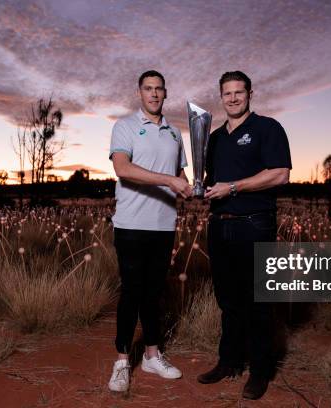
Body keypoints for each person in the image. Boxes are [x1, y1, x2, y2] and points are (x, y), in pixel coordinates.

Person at [198, 71, 292, 400]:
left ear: (250, 93)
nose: (233, 98)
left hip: (254, 223)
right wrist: (197, 186)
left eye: (239, 92)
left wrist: (234, 187)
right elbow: (210, 179)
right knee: (228, 301)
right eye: (227, 93)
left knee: (257, 302)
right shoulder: (215, 137)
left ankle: (260, 371)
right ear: (220, 96)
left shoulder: (268, 128)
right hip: (220, 224)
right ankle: (229, 361)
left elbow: (280, 174)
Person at [108, 70, 192, 392]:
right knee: (131, 292)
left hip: (163, 225)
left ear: (165, 93)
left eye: (159, 89)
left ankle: (152, 356)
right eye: (148, 89)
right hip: (131, 224)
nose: (154, 94)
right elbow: (122, 169)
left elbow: (179, 173)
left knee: (154, 293)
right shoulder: (125, 126)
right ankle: (121, 360)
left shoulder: (174, 133)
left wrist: (188, 186)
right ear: (139, 93)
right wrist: (169, 181)